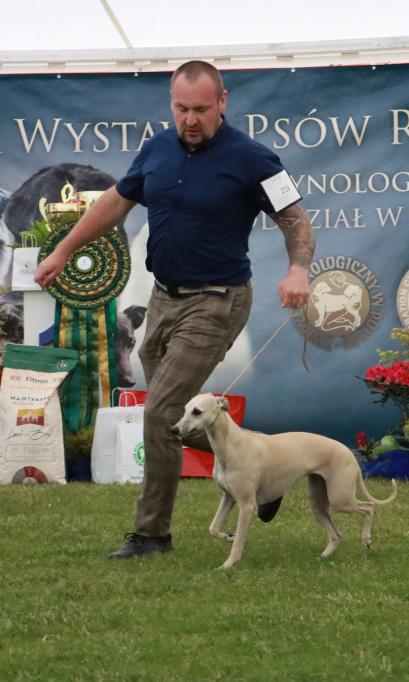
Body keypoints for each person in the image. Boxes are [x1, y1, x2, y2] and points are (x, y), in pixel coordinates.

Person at [34, 60, 316, 559]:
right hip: (162, 298)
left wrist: (298, 270)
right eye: (182, 109)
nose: (190, 119)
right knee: (176, 420)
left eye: (202, 110)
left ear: (222, 103)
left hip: (218, 301)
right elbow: (115, 204)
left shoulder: (254, 159)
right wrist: (63, 249)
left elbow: (295, 220)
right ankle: (269, 477)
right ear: (172, 105)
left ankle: (151, 535)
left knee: (163, 411)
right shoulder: (157, 149)